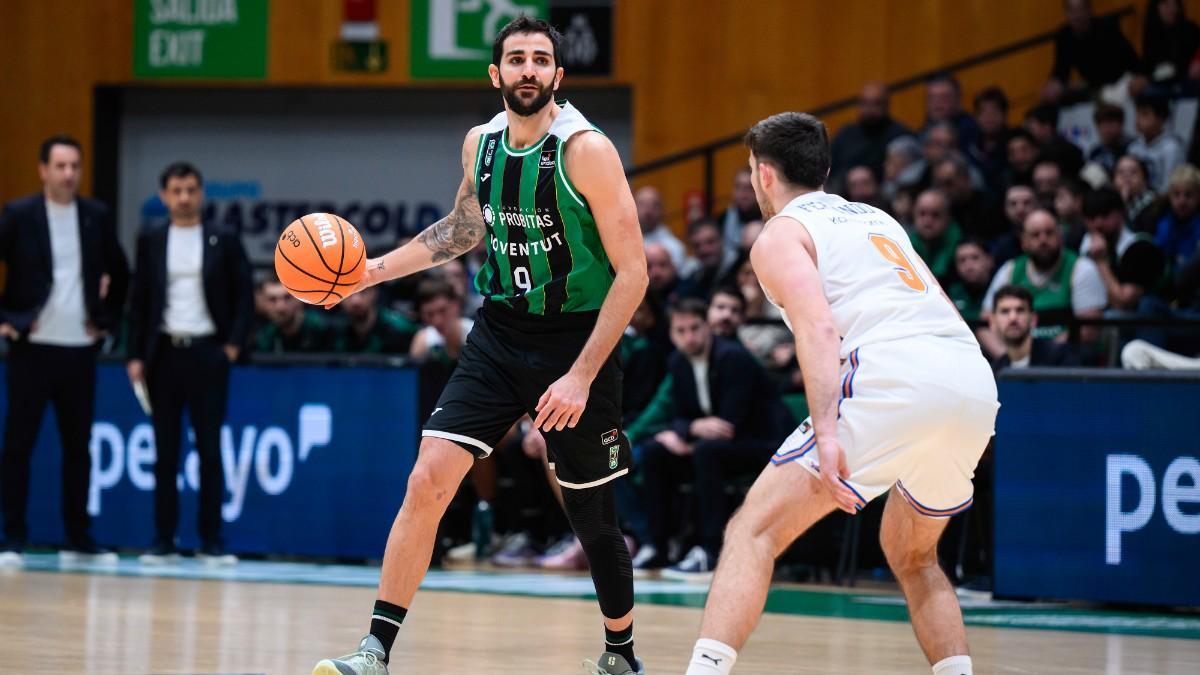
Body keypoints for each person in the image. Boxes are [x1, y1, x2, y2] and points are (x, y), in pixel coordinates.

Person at [312, 17, 648, 675]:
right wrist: (371, 269)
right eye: (516, 59)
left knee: (590, 511)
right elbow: (463, 230)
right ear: (496, 75)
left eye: (540, 59)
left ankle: (621, 653)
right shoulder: (480, 144)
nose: (528, 70)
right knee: (428, 476)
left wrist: (580, 376)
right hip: (498, 332)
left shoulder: (586, 152)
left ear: (558, 74)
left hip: (578, 340)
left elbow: (632, 271)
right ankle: (374, 649)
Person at [684, 112, 998, 675]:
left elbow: (819, 330)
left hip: (894, 376)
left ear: (763, 175)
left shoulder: (780, 234)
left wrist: (827, 434)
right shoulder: (877, 219)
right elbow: (944, 308)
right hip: (969, 379)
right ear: (826, 170)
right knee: (913, 553)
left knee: (752, 530)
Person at [0, 135, 129, 567]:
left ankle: (77, 536)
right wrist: (10, 319)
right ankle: (12, 537)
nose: (68, 174)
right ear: (43, 170)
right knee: (19, 445)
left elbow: (122, 271)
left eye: (74, 165)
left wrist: (105, 319)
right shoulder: (19, 214)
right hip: (31, 347)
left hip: (79, 348)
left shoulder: (94, 215)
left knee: (79, 447)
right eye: (60, 166)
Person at [126, 162, 253, 566]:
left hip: (208, 353)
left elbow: (244, 297)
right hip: (164, 354)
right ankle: (163, 539)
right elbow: (139, 299)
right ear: (163, 196)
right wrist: (134, 355)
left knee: (210, 449)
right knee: (165, 452)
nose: (184, 197)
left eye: (191, 189)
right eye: (176, 190)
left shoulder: (224, 238)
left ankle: (211, 541)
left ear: (201, 194)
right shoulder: (150, 238)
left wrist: (231, 347)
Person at [635, 298, 785, 580]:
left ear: (708, 327)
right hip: (714, 447)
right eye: (681, 331)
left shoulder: (733, 358)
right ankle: (657, 545)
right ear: (671, 334)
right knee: (656, 452)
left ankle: (709, 549)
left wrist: (687, 433)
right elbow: (678, 416)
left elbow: (730, 425)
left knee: (706, 452)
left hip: (762, 444)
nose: (689, 337)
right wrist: (689, 430)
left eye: (695, 328)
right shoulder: (678, 362)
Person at [982, 209, 1107, 342]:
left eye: (1049, 233)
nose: (1043, 240)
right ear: (1023, 242)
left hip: (1068, 357)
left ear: (1060, 237)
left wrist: (1042, 354)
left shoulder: (1081, 268)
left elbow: (1089, 330)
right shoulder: (1010, 270)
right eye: (1035, 235)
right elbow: (985, 324)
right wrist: (1005, 356)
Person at [1079, 186, 1167, 312]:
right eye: (1092, 217)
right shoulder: (1084, 245)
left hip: (1151, 318)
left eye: (1105, 215)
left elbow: (1124, 303)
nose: (1098, 223)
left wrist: (1100, 262)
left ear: (1121, 212)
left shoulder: (1140, 247)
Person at [1044, 0, 1142, 103]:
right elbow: (1061, 70)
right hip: (1093, 88)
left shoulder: (1107, 27)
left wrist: (1138, 78)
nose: (1076, 15)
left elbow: (1132, 60)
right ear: (1065, 13)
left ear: (1089, 10)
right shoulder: (1064, 36)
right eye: (1071, 11)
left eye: (1080, 10)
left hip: (1121, 83)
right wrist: (1054, 85)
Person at [828, 82, 912, 192]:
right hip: (843, 197)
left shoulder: (900, 136)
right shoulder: (846, 133)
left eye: (876, 104)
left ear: (886, 105)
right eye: (865, 103)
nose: (869, 110)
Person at [989, 285, 1079, 371]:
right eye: (1005, 311)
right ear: (993, 321)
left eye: (1020, 310)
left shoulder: (1060, 358)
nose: (1013, 317)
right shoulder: (995, 371)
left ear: (1033, 319)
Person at [253, 277, 336, 352]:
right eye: (272, 300)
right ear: (262, 303)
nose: (280, 307)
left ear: (300, 299)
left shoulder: (324, 328)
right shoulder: (263, 336)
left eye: (287, 298)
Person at [333, 284, 417, 354]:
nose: (356, 301)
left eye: (363, 291)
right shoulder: (331, 331)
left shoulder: (400, 330)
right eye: (348, 293)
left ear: (374, 292)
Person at [1128, 93, 1186, 192]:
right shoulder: (1134, 147)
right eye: (1137, 113)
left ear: (1161, 119)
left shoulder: (1172, 149)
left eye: (1145, 114)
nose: (1138, 119)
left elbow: (1170, 187)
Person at [408, 278, 473, 365]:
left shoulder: (476, 334)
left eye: (443, 310)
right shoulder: (423, 341)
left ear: (456, 305)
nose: (437, 321)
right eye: (429, 314)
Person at [910, 189, 962, 286]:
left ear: (947, 217)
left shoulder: (958, 244)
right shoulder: (905, 241)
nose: (928, 221)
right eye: (922, 213)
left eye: (935, 215)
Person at [1142, 0, 1200, 87]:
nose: (1172, 9)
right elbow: (1149, 66)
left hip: (1186, 87)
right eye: (1166, 3)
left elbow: (1180, 67)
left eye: (1175, 3)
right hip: (1160, 86)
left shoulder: (1189, 29)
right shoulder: (1151, 31)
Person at [678, 218, 738, 301]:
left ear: (722, 240)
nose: (704, 250)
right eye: (697, 246)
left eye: (710, 242)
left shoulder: (739, 266)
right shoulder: (692, 273)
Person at [634, 186, 687, 269]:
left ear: (662, 210)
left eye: (654, 205)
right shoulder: (621, 242)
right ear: (633, 207)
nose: (648, 211)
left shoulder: (674, 248)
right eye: (642, 204)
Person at [946, 238, 995, 324]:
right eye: (962, 260)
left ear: (989, 261)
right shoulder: (951, 291)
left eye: (975, 258)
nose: (968, 266)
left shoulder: (999, 286)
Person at [718, 168, 763, 256]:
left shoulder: (771, 219)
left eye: (749, 188)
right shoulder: (722, 219)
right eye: (738, 187)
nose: (743, 194)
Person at [1088, 103, 1131, 175]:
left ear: (1121, 124)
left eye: (1110, 122)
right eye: (1101, 123)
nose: (1106, 128)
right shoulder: (1095, 153)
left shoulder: (1132, 149)